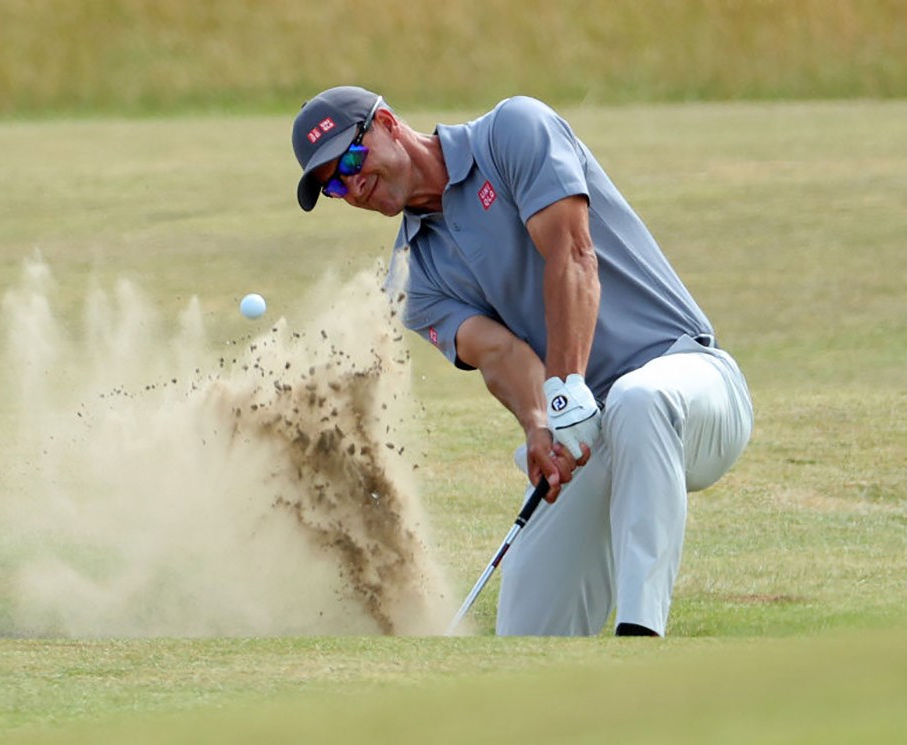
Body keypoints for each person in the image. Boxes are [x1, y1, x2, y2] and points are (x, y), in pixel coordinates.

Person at [290, 86, 753, 637]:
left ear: (387, 123)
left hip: (691, 383)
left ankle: (640, 637)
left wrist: (565, 388)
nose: (352, 185)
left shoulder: (514, 131)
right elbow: (501, 354)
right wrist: (538, 424)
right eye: (334, 185)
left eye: (349, 160)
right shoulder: (412, 277)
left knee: (638, 399)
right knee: (525, 638)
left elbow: (573, 254)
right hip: (585, 434)